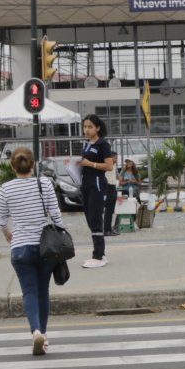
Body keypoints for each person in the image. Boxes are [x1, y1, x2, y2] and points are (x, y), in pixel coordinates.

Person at [0, 148, 64, 356]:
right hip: (45, 247)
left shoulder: (6, 188)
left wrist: (8, 233)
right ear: (33, 164)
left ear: (12, 166)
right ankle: (43, 334)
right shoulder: (44, 183)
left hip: (20, 247)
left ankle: (35, 331)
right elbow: (56, 214)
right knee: (43, 291)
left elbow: (1, 220)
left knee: (29, 291)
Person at [76, 114, 114, 268]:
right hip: (85, 183)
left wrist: (90, 164)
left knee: (95, 217)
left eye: (90, 126)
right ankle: (100, 253)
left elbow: (109, 166)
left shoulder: (103, 144)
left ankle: (98, 255)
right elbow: (85, 162)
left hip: (97, 183)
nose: (86, 129)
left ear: (97, 128)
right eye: (85, 126)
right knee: (89, 218)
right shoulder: (86, 144)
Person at [103, 149, 121, 237]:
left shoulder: (114, 166)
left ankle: (109, 229)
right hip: (108, 188)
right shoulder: (107, 166)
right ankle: (106, 230)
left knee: (111, 211)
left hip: (113, 187)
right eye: (114, 158)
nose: (116, 160)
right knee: (108, 211)